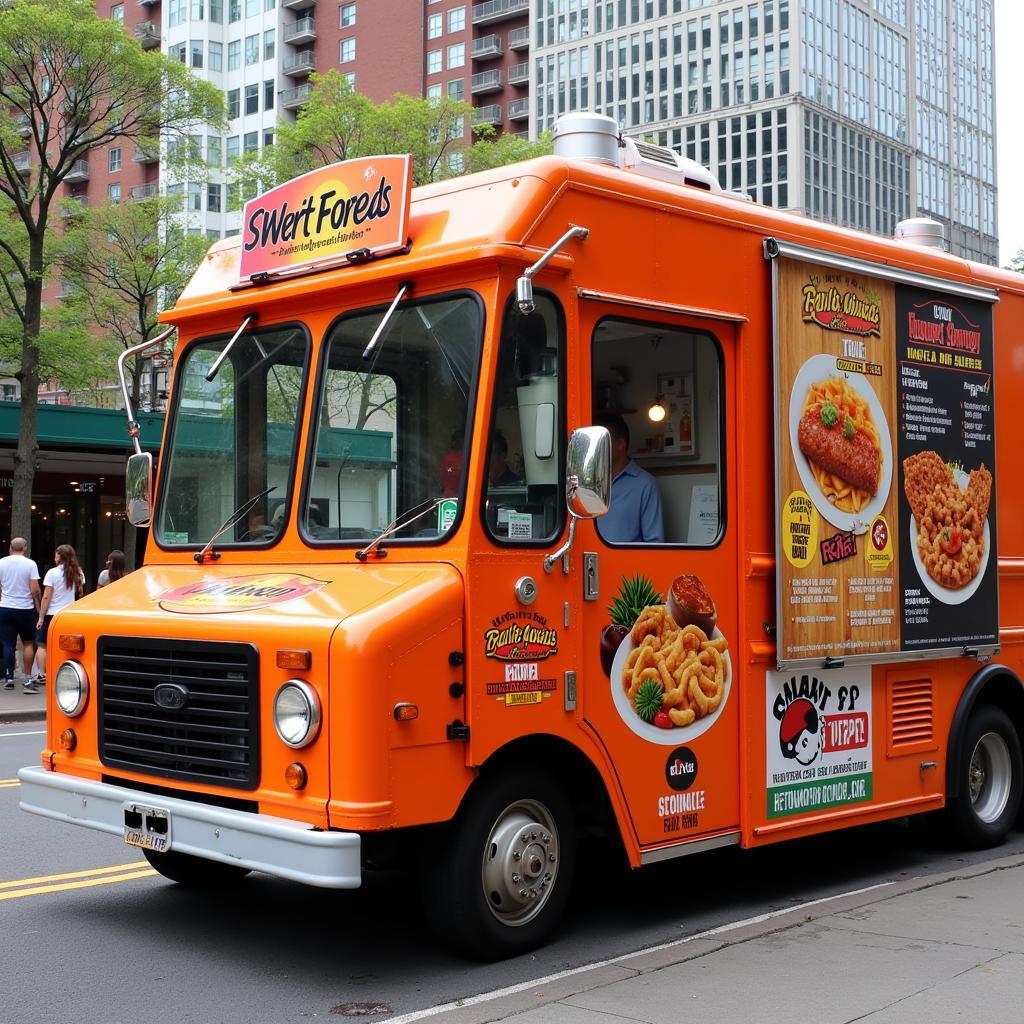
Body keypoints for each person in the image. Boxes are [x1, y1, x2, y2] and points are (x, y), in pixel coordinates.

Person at [596, 413, 665, 543]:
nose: (596, 448)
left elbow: (654, 544)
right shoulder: (587, 482)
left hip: (628, 563)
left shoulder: (646, 485)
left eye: (602, 442)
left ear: (620, 444)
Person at [33, 544, 85, 692]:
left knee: (42, 645)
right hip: (69, 614)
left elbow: (46, 596)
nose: (54, 557)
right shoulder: (79, 572)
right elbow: (80, 594)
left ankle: (42, 675)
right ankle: (61, 673)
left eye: (56, 554)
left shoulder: (52, 573)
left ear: (60, 556)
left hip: (52, 613)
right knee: (64, 646)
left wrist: (41, 617)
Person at [0, 537, 41, 692]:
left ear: (10, 547)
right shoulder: (30, 564)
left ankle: (9, 677)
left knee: (8, 644)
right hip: (25, 608)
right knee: (29, 643)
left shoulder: (1, 562)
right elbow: (35, 589)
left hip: (5, 607)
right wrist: (37, 606)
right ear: (25, 548)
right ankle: (27, 677)